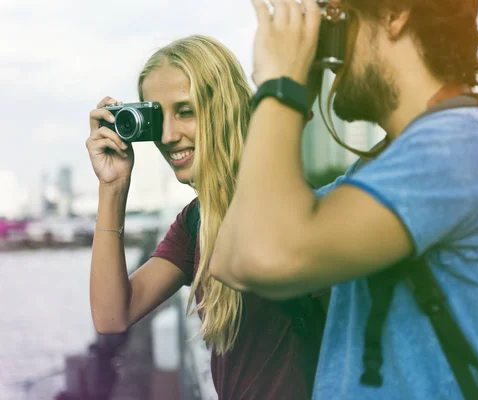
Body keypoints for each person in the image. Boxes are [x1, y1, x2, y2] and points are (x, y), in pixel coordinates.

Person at [209, 0, 478, 399]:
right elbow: (230, 259)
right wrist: (291, 101)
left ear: (394, 13)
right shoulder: (382, 168)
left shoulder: (464, 144)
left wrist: (281, 87)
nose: (325, 45)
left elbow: (264, 257)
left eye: (333, 14)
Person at [86, 34, 324, 400]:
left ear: (223, 106)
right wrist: (113, 186)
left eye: (186, 111)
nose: (168, 135)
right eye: (157, 117)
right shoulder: (195, 220)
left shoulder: (280, 199)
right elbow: (111, 315)